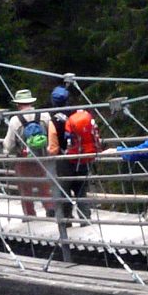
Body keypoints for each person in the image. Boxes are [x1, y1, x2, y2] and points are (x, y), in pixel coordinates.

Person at [45, 85, 100, 223]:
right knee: (81, 189)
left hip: (64, 161)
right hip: (82, 157)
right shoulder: (79, 115)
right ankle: (85, 218)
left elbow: (54, 148)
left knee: (64, 190)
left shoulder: (54, 121)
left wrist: (47, 152)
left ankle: (67, 219)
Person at [1, 88, 48, 220]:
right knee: (45, 185)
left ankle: (29, 214)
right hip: (43, 156)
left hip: (24, 158)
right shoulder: (44, 115)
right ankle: (50, 209)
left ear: (18, 104)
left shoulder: (15, 120)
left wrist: (5, 151)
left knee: (25, 187)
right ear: (31, 102)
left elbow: (9, 144)